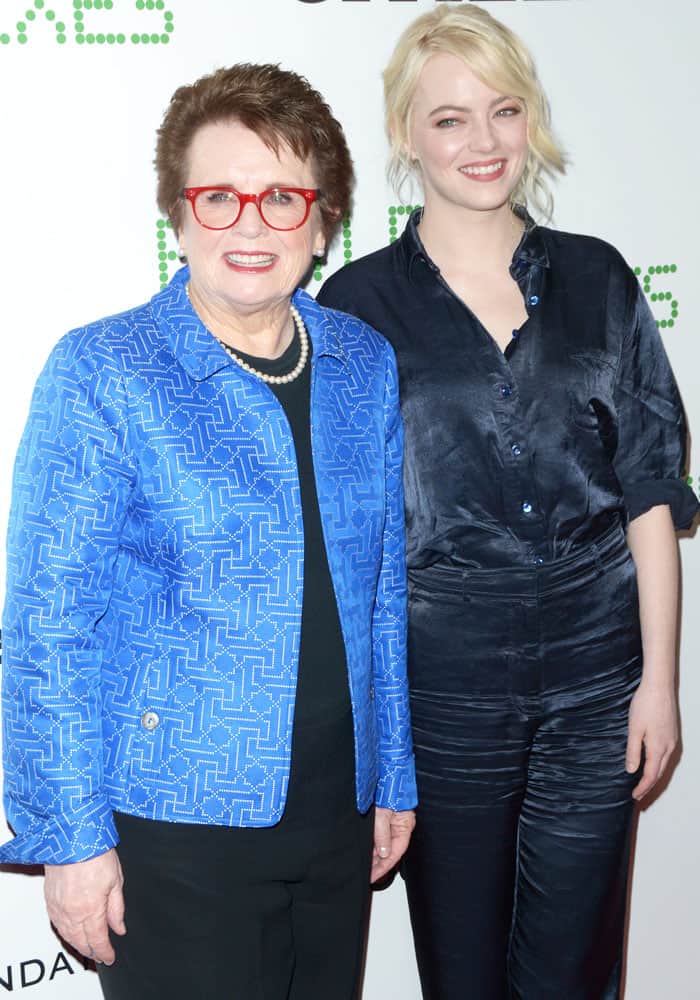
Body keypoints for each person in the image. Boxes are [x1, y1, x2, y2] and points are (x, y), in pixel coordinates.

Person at [0, 62, 417, 1000]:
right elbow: (47, 626)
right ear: (178, 217)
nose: (251, 225)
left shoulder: (362, 362)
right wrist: (69, 838)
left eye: (281, 197)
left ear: (323, 217)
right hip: (170, 828)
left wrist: (393, 772)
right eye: (219, 197)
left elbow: (387, 584)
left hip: (334, 818)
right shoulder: (105, 370)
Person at [318, 6, 699, 998]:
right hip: (440, 690)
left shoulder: (598, 277)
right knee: (462, 974)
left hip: (594, 683)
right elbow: (346, 542)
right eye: (448, 119)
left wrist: (658, 683)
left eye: (502, 110)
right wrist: (372, 739)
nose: (480, 142)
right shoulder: (355, 307)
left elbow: (649, 492)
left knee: (575, 972)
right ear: (406, 133)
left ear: (530, 119)